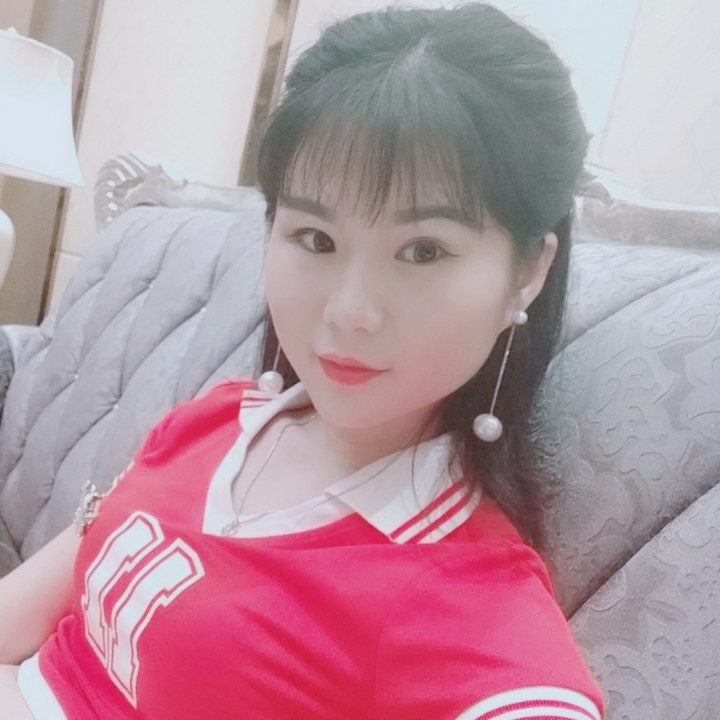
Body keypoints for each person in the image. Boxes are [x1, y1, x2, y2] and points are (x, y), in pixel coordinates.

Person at [0, 3, 604, 718]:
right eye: (316, 239)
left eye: (424, 251)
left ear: (528, 272)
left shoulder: (459, 596)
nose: (350, 311)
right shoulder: (218, 420)